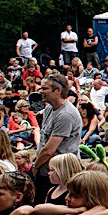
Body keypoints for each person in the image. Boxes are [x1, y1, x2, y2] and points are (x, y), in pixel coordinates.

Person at [33, 74, 83, 204]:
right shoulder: (49, 108)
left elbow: (49, 150)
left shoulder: (65, 114)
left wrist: (35, 166)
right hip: (46, 167)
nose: (41, 91)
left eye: (45, 89)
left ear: (57, 91)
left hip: (60, 172)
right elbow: (44, 139)